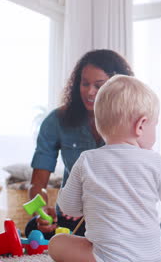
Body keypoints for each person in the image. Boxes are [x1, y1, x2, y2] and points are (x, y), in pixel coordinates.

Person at [48, 75, 161, 262]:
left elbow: (68, 208)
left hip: (107, 257)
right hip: (152, 258)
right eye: (155, 125)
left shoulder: (87, 159)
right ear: (141, 125)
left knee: (57, 243)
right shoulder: (153, 160)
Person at [25, 49, 134, 239]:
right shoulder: (56, 121)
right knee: (33, 228)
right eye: (85, 84)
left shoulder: (132, 121)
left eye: (99, 85)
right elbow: (37, 184)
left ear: (117, 88)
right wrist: (41, 212)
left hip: (113, 215)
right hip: (70, 216)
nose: (90, 92)